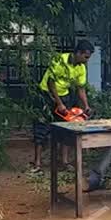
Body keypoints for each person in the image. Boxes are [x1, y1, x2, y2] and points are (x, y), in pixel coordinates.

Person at [32, 40, 94, 171]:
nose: (86, 60)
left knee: (65, 127)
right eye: (85, 57)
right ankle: (37, 163)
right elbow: (51, 82)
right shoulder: (59, 60)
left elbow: (80, 89)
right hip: (47, 95)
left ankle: (64, 162)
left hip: (64, 95)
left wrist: (86, 106)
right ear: (77, 53)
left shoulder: (81, 68)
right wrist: (58, 103)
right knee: (41, 127)